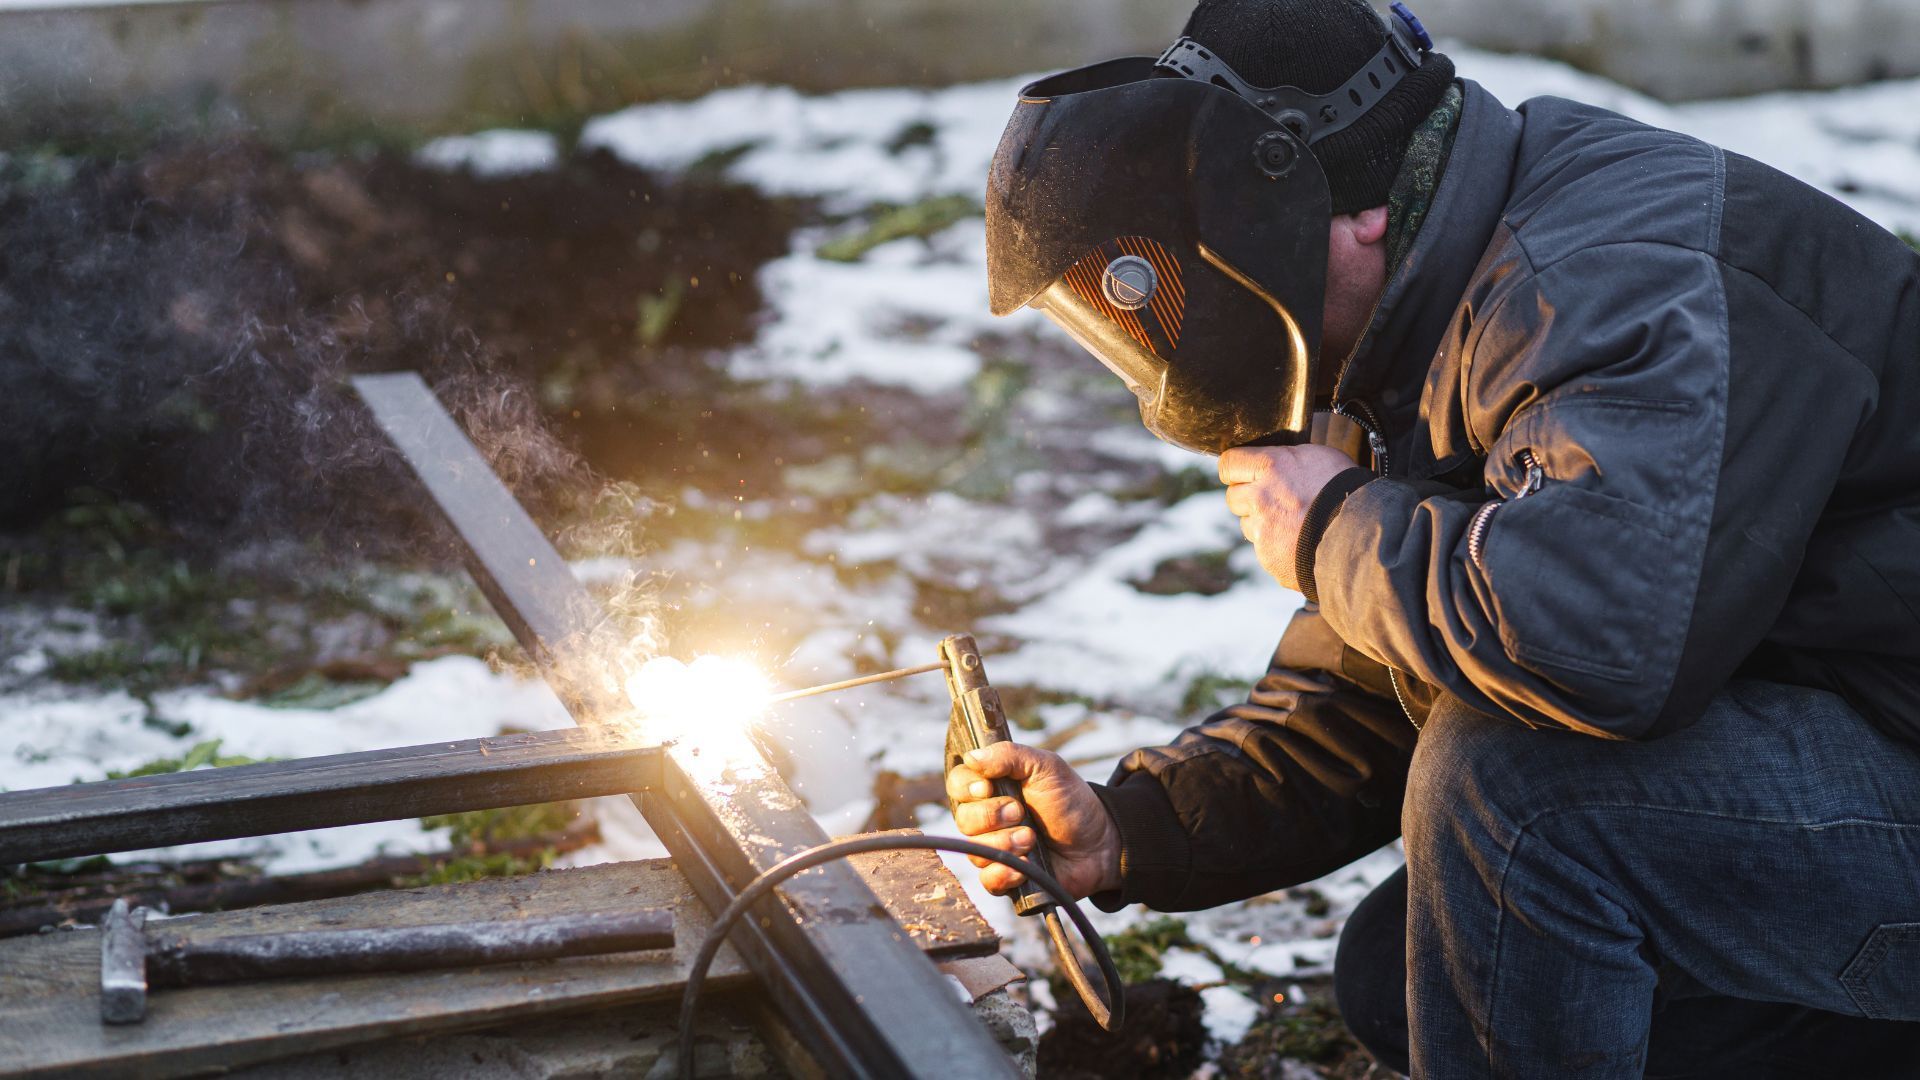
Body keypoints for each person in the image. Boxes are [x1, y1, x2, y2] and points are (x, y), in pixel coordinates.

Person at [948, 1, 1920, 1075]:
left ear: (1339, 201)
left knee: (1522, 805)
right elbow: (1372, 690)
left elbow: (1598, 647)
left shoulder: (1603, 285)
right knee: (1422, 965)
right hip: (1855, 735)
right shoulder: (1407, 319)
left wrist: (1328, 527)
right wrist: (1128, 827)